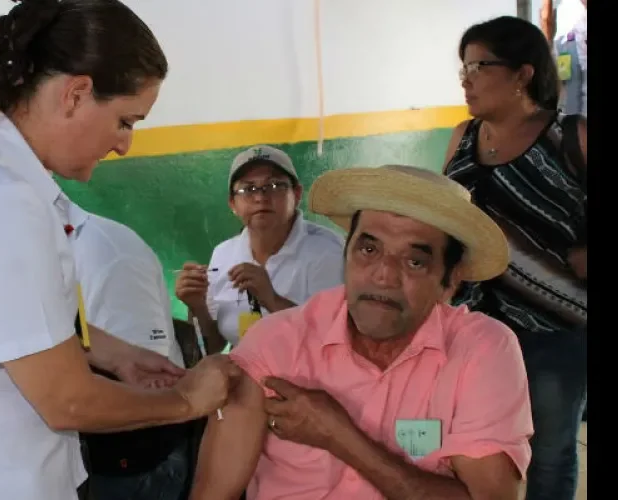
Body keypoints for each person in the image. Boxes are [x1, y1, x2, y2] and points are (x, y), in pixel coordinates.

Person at [0, 2, 240, 500]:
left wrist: (113, 354)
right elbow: (66, 401)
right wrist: (187, 400)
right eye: (125, 120)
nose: (124, 145)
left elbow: (0, 317)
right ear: (76, 94)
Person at [190, 165, 533, 500]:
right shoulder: (276, 342)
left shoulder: (481, 350)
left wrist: (341, 437)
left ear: (450, 282)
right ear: (347, 253)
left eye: (415, 261)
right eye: (368, 250)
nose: (383, 274)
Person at [443, 16, 586, 500]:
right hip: (470, 326)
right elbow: (444, 217)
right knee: (470, 447)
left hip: (552, 328)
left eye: (478, 66)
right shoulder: (462, 137)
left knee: (549, 455)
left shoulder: (572, 138)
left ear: (523, 74)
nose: (466, 80)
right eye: (463, 69)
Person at [64, 200, 191, 500]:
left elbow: (144, 382)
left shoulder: (106, 254)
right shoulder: (39, 250)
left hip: (131, 460)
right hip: (95, 452)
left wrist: (191, 403)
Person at [175, 145, 345, 354]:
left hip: (305, 381)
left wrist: (272, 299)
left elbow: (335, 343)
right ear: (232, 204)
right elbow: (213, 347)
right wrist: (197, 306)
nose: (260, 197)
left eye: (274, 186)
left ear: (297, 194)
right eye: (248, 189)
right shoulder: (224, 253)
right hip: (245, 377)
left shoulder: (328, 251)